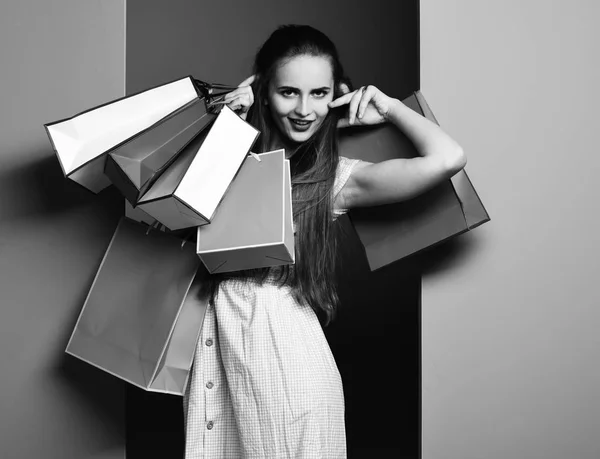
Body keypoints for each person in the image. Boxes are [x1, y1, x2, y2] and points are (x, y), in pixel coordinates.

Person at [183, 24, 466, 458]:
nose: (304, 109)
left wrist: (388, 108)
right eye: (288, 92)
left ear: (338, 93)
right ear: (262, 91)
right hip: (216, 360)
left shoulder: (331, 179)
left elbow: (448, 159)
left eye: (319, 93)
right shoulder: (221, 156)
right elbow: (168, 213)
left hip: (286, 364)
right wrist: (225, 123)